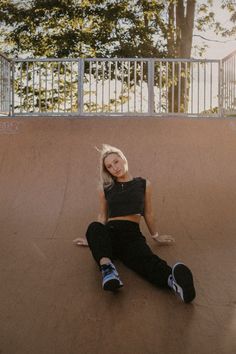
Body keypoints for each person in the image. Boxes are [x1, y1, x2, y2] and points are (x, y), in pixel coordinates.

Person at [74, 144, 196, 303]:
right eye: (109, 166)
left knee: (146, 260)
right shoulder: (105, 188)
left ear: (123, 158)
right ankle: (109, 272)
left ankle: (173, 281)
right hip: (109, 232)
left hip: (131, 235)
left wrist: (156, 236)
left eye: (116, 162)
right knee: (94, 227)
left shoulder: (143, 184)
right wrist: (93, 239)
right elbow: (102, 216)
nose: (114, 168)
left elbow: (148, 213)